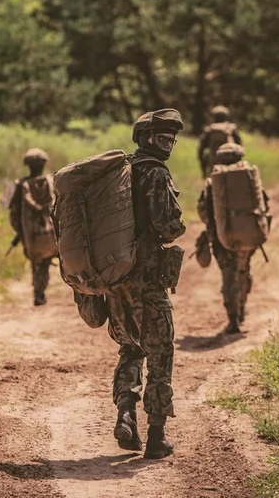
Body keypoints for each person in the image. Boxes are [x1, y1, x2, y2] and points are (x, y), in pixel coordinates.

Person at [82, 109, 186, 459]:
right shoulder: (156, 174)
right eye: (161, 138)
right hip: (146, 281)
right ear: (144, 138)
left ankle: (125, 413)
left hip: (115, 280)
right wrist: (176, 225)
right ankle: (156, 435)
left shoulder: (120, 173)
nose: (167, 145)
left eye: (170, 139)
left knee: (130, 348)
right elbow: (167, 226)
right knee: (161, 351)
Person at [196, 143, 270, 334]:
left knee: (228, 276)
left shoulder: (214, 181)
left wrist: (215, 227)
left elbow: (203, 210)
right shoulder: (248, 176)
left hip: (223, 237)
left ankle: (233, 318)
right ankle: (242, 306)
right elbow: (264, 204)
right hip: (248, 234)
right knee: (243, 271)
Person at [8, 148, 57, 306]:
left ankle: (38, 293)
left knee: (37, 263)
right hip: (51, 233)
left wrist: (19, 232)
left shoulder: (21, 185)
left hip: (31, 235)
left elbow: (14, 213)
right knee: (47, 262)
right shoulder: (50, 181)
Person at [197, 105, 242, 177]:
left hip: (214, 160)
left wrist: (203, 168)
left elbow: (201, 148)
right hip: (232, 160)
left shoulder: (210, 129)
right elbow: (240, 146)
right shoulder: (232, 128)